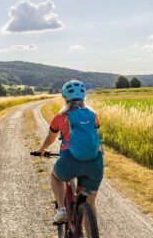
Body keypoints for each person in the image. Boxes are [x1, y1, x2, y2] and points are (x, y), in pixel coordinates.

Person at [35, 80, 103, 224]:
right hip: (95, 162)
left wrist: (42, 149)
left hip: (70, 160)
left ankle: (62, 210)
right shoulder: (93, 114)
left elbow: (51, 137)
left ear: (64, 98)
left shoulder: (60, 116)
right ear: (83, 97)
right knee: (90, 203)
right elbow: (94, 133)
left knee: (55, 176)